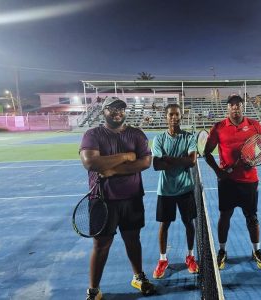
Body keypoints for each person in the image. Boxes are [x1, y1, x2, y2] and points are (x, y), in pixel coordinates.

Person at [79, 96, 155, 300]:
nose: (117, 112)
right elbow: (91, 162)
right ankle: (94, 289)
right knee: (101, 245)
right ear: (103, 111)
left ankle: (138, 276)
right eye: (112, 109)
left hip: (132, 198)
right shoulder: (92, 134)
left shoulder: (136, 134)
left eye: (121, 109)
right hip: (102, 200)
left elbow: (145, 162)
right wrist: (125, 156)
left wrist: (112, 171)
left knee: (133, 240)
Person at [203, 94, 261, 270]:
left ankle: (257, 250)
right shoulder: (218, 127)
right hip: (228, 182)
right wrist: (218, 171)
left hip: (249, 181)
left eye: (238, 104)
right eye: (231, 105)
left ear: (242, 106)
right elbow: (206, 152)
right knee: (225, 216)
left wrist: (253, 160)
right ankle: (222, 250)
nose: (235, 108)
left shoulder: (254, 125)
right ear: (227, 108)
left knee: (252, 217)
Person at [151, 103, 199, 279]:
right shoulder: (158, 139)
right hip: (165, 190)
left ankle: (191, 256)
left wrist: (167, 159)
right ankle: (163, 259)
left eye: (177, 114)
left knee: (189, 223)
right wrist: (182, 160)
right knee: (164, 225)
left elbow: (192, 161)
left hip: (186, 188)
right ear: (166, 117)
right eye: (171, 115)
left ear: (181, 116)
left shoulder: (189, 137)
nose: (174, 117)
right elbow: (156, 165)